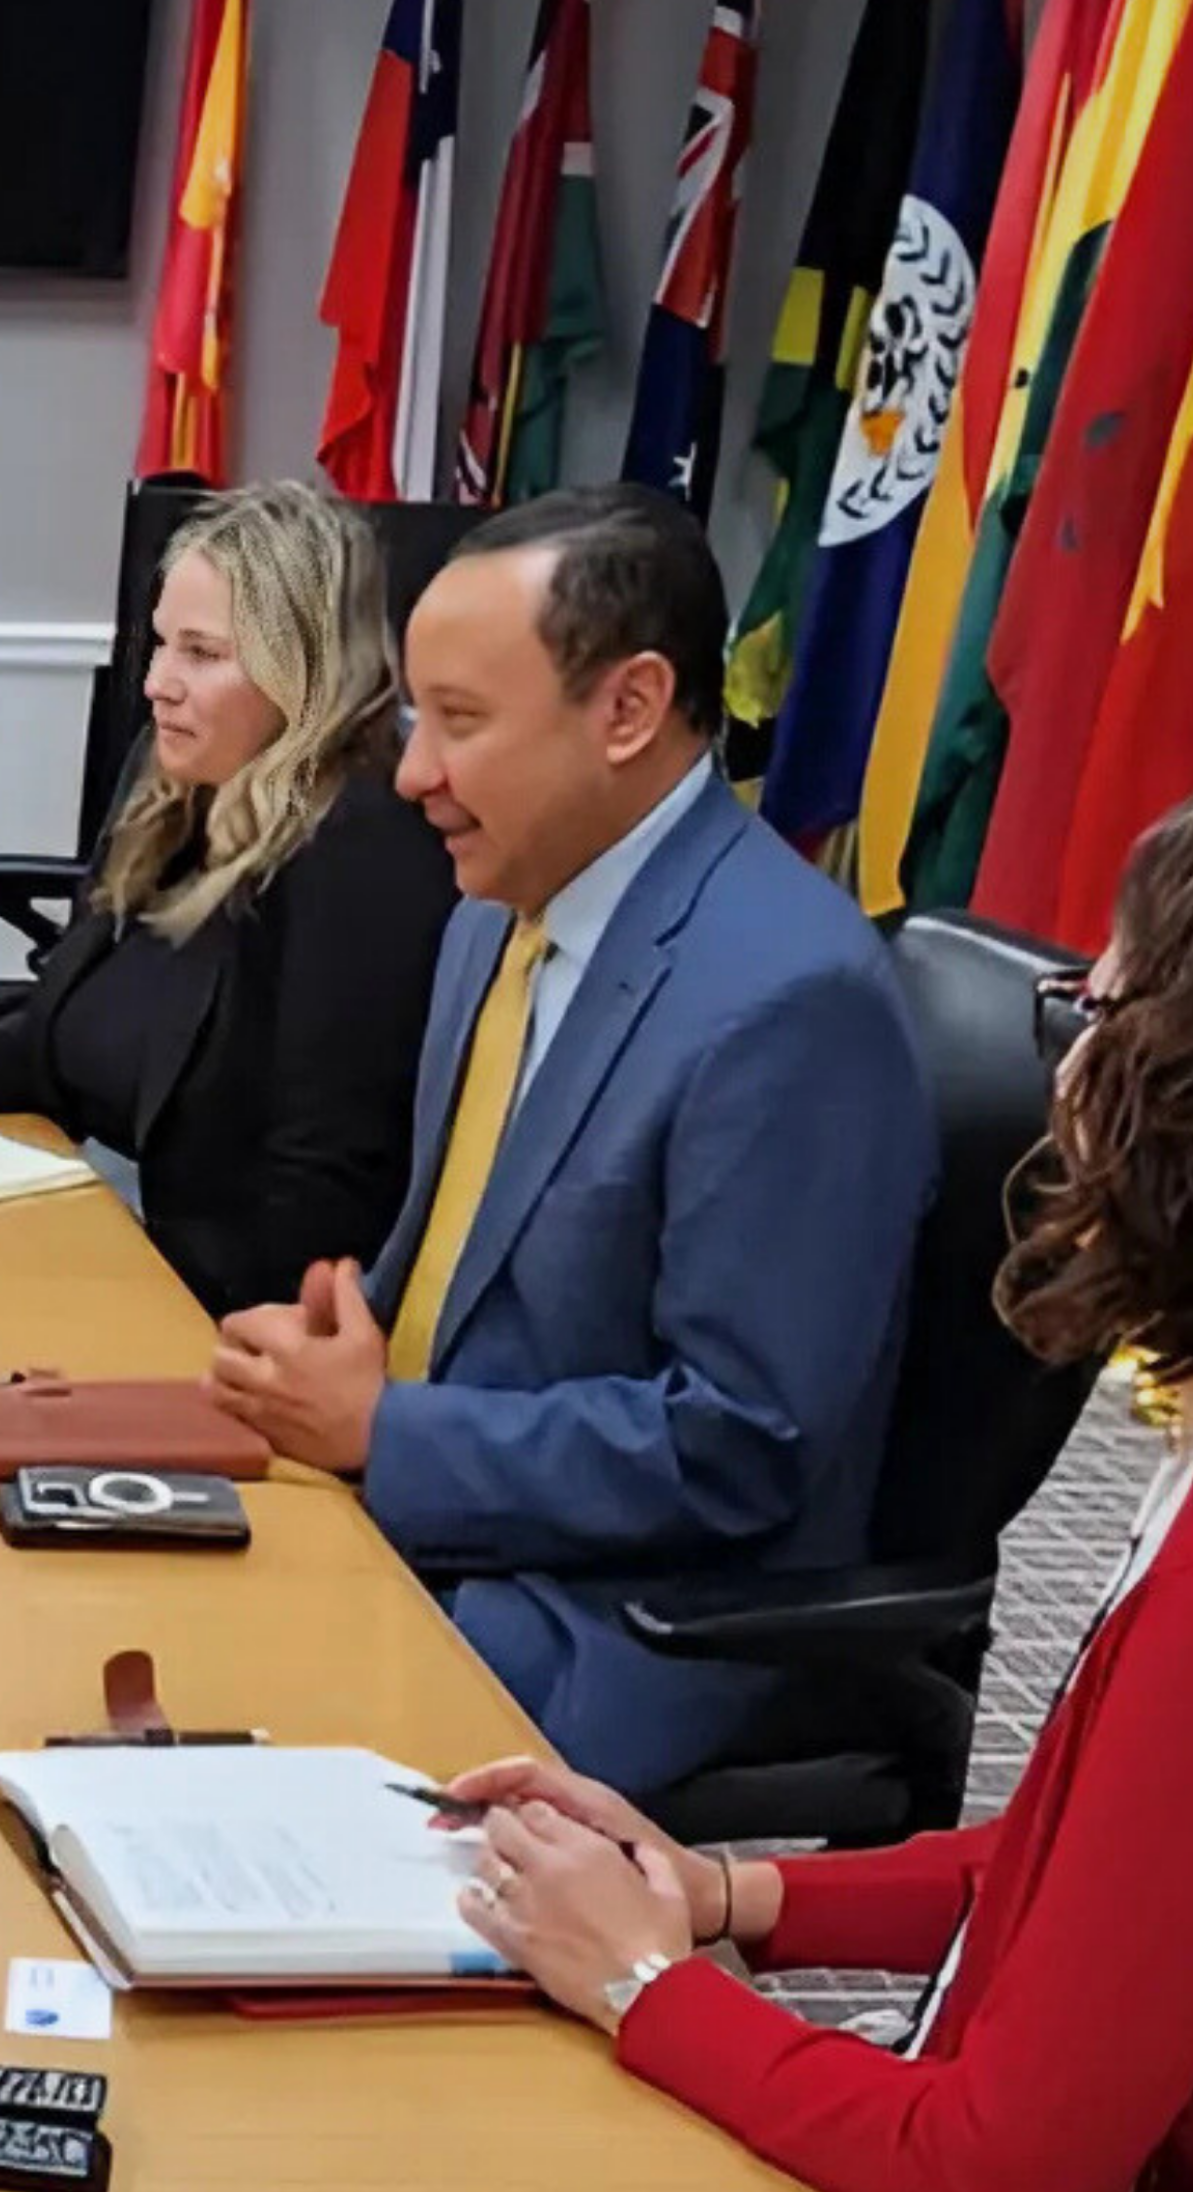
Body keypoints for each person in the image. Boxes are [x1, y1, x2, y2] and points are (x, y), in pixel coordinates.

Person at [447, 755, 1193, 2192]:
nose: (1068, 1074)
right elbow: (1096, 1877)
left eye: (1097, 1012)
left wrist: (641, 1988)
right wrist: (731, 1896)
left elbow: (1000, 2177)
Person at [205, 484, 932, 1794]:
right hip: (419, 1516)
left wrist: (392, 1434)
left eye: (462, 722)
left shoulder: (787, 1001)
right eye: (416, 715)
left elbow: (740, 1446)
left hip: (613, 1619)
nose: (413, 770)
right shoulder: (494, 911)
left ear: (630, 710)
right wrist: (347, 1345)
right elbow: (483, 1284)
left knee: (197, 1785)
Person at [0, 482, 457, 1313]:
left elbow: (324, 1193)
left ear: (308, 672)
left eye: (203, 655)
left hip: (213, 1315)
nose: (156, 684)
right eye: (160, 647)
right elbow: (68, 1033)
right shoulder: (181, 785)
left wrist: (167, 1335)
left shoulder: (360, 845)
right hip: (111, 1245)